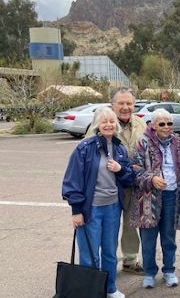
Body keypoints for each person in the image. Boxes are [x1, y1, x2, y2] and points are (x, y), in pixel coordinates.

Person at [62, 106, 135, 298]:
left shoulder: (119, 148)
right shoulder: (85, 148)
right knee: (89, 254)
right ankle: (90, 292)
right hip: (90, 209)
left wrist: (120, 169)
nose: (108, 125)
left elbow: (129, 179)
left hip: (112, 208)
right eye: (104, 121)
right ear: (97, 125)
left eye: (112, 121)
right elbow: (72, 180)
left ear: (116, 124)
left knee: (110, 252)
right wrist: (76, 210)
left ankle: (110, 288)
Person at [129, 109, 180, 288]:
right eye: (162, 124)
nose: (166, 127)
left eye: (169, 123)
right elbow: (134, 168)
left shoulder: (178, 143)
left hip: (171, 195)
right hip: (148, 198)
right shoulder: (142, 142)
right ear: (153, 125)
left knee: (169, 237)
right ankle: (149, 273)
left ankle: (169, 270)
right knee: (148, 239)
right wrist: (151, 179)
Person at [110, 87, 147, 274]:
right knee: (110, 224)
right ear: (112, 105)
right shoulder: (103, 123)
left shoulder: (142, 125)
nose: (125, 107)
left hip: (134, 185)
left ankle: (130, 260)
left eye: (129, 103)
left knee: (132, 224)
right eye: (121, 103)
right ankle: (107, 262)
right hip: (110, 186)